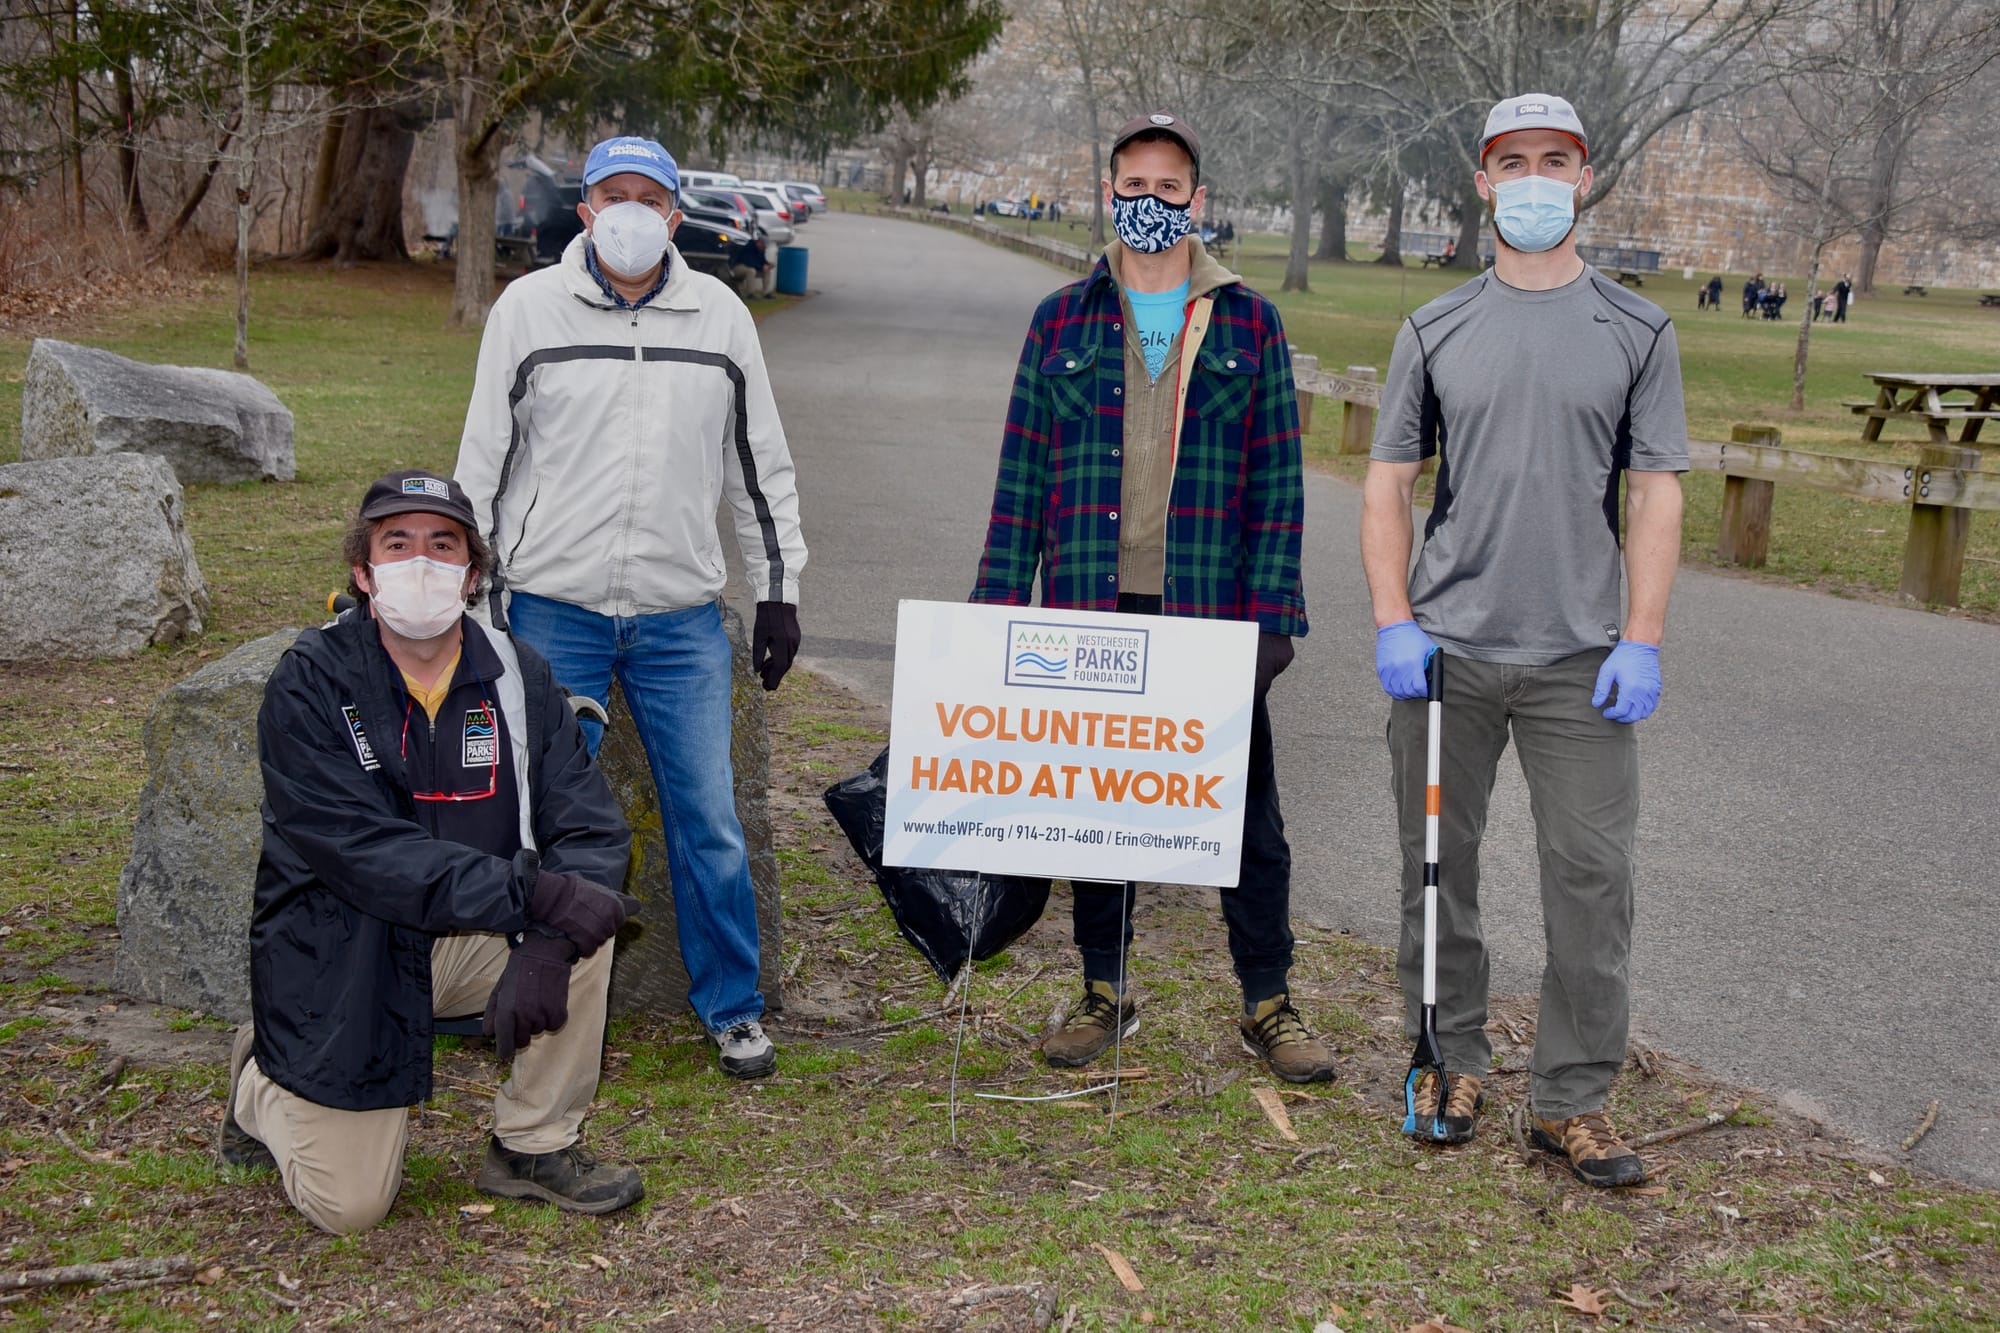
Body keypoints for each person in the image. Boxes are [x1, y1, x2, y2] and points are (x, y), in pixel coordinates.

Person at [1360, 94, 1688, 1187]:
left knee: (1591, 877)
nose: (1534, 179)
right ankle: (1449, 1059)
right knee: (1435, 869)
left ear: (1584, 177)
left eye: (1555, 160)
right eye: (1514, 162)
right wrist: (1394, 619)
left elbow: (1655, 492)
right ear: (1483, 180)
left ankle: (1570, 1098)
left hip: (1579, 662)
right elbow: (1386, 483)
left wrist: (1640, 637)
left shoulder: (1636, 330)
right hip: (1444, 657)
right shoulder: (1434, 327)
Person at [971, 111, 1335, 1085]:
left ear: (1196, 200)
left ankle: (1268, 999)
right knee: (1100, 815)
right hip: (1089, 612)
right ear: (1110, 194)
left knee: (1245, 819)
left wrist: (1273, 621)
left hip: (1206, 619)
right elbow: (1019, 478)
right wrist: (994, 609)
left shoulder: (1250, 323)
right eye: (1132, 187)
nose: (1148, 203)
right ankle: (1105, 987)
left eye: (1167, 188)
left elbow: (1277, 483)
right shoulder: (1061, 319)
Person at [456, 135, 808, 1080]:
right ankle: (523, 990)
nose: (631, 213)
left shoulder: (721, 317)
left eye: (649, 199)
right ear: (584, 210)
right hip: (552, 606)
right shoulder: (528, 309)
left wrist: (778, 591)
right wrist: (470, 597)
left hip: (678, 619)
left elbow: (759, 465)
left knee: (710, 819)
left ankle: (733, 1005)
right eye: (613, 195)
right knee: (531, 815)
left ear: (674, 215)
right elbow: (484, 458)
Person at [222, 470, 643, 1233]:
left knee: (584, 917)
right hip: (345, 955)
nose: (421, 563)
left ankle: (533, 1143)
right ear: (363, 570)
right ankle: (262, 1079)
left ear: (473, 572)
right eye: (398, 544)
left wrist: (550, 938)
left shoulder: (517, 674)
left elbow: (591, 827)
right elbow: (365, 851)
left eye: (443, 545)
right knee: (350, 1207)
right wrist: (531, 894)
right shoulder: (310, 682)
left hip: (470, 939)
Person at [729, 225, 775, 299]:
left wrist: (768, 265)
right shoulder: (749, 246)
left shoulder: (761, 250)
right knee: (751, 271)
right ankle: (750, 293)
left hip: (753, 267)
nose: (764, 247)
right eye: (763, 245)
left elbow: (762, 261)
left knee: (766, 272)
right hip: (738, 267)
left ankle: (766, 293)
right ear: (759, 242)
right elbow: (748, 262)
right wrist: (762, 267)